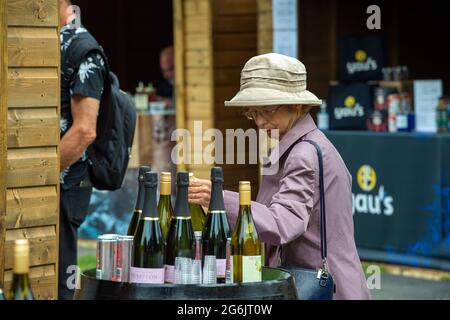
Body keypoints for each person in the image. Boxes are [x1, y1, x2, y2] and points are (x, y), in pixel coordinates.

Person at [188, 53, 371, 299]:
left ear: (296, 105)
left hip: (322, 289)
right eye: (253, 113)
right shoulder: (307, 145)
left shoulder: (302, 154)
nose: (260, 122)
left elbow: (282, 225)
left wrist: (218, 200)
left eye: (268, 110)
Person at [58, 0, 106, 299]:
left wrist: (37, 178)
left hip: (64, 185)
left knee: (60, 283)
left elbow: (85, 130)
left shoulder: (81, 46)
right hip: (49, 186)